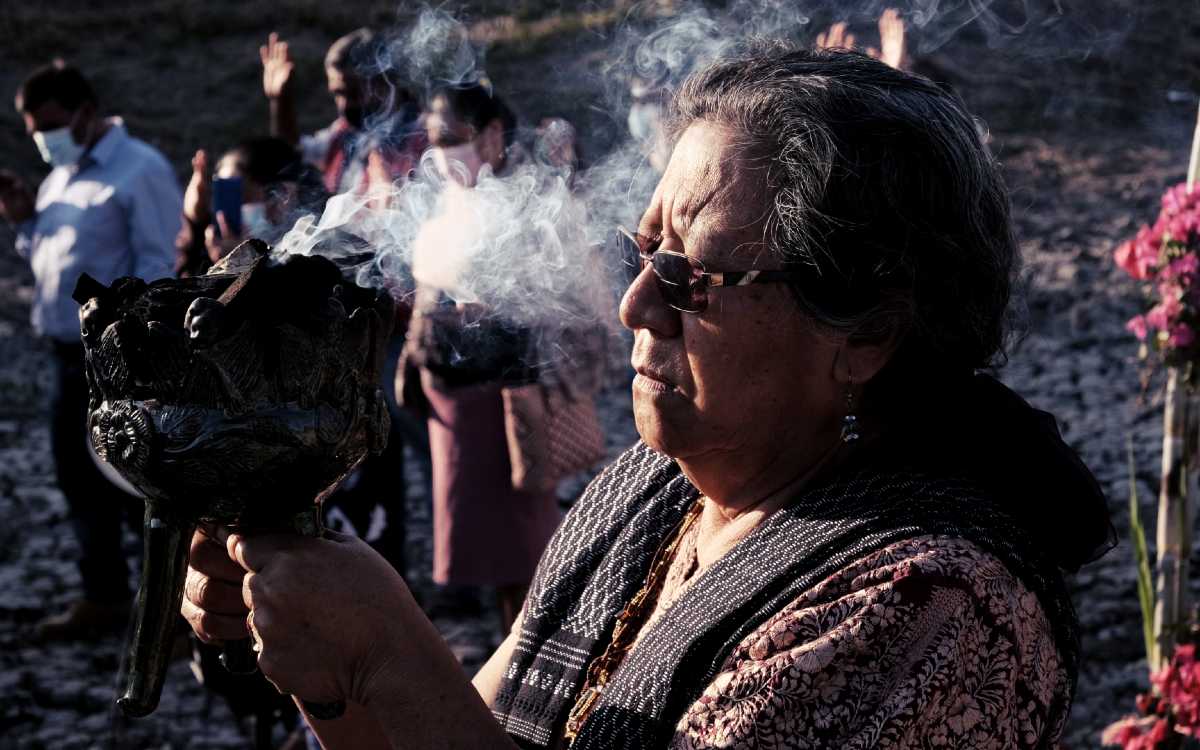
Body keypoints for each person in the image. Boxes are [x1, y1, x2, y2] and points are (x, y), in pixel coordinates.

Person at [181, 46, 1114, 748]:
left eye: (696, 277)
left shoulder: (930, 609)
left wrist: (385, 647)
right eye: (643, 256)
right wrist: (331, 659)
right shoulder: (649, 490)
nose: (635, 304)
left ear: (865, 331)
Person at [0, 62, 182, 639]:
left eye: (50, 124)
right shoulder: (61, 178)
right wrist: (26, 221)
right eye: (33, 128)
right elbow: (51, 261)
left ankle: (175, 618)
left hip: (118, 358)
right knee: (78, 478)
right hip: (63, 354)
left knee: (135, 485)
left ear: (86, 110)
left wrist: (144, 354)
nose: (42, 138)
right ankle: (102, 595)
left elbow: (159, 264)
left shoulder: (140, 170)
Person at [401, 81, 563, 636]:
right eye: (433, 140)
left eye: (453, 138)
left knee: (522, 552)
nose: (441, 152)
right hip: (453, 401)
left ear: (493, 136)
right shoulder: (447, 206)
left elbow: (550, 302)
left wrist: (494, 306)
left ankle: (527, 662)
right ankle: (501, 650)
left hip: (505, 401)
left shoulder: (528, 202)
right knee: (477, 549)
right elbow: (427, 290)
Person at [260, 28, 426, 199]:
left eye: (354, 92)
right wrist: (280, 101)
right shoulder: (344, 134)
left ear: (383, 83)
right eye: (338, 94)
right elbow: (289, 151)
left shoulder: (423, 136)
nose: (345, 104)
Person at [176, 136, 326, 277]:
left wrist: (240, 264)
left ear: (282, 193)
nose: (227, 210)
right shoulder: (219, 249)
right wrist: (195, 225)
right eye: (224, 197)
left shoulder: (319, 248)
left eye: (237, 195)